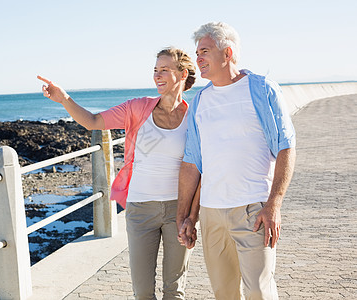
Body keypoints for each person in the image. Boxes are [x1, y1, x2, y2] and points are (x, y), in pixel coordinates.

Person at [38, 47, 197, 299]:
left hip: (178, 209)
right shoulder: (137, 108)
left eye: (164, 70)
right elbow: (93, 121)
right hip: (140, 208)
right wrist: (64, 99)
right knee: (143, 292)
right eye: (155, 70)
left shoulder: (195, 115)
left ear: (182, 74)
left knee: (174, 291)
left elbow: (200, 167)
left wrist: (191, 215)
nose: (157, 75)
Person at [176, 22, 296, 300]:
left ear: (227, 53)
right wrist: (186, 217)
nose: (198, 59)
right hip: (211, 212)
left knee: (258, 291)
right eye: (197, 53)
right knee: (223, 293)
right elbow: (193, 163)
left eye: (205, 51)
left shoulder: (262, 89)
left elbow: (286, 148)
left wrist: (274, 204)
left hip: (253, 210)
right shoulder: (200, 101)